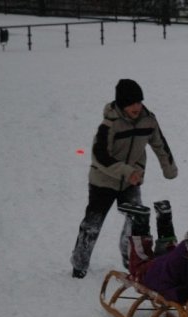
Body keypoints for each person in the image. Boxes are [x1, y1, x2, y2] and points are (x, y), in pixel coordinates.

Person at [70, 79, 178, 279]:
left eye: (139, 102)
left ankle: (132, 261)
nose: (136, 107)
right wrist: (127, 171)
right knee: (92, 224)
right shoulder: (109, 124)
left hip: (131, 181)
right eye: (130, 103)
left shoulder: (148, 120)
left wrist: (169, 168)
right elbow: (99, 156)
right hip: (103, 181)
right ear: (121, 104)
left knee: (136, 221)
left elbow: (160, 144)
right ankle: (79, 264)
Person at [121, 203, 188, 306]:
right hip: (151, 272)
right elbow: (162, 288)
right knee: (139, 260)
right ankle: (140, 220)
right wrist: (181, 294)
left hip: (170, 262)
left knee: (169, 247)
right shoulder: (176, 262)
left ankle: (164, 217)